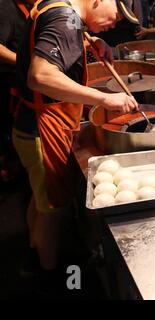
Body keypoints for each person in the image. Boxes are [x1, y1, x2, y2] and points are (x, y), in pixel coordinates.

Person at [14, 0, 139, 281]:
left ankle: (36, 254)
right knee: (52, 208)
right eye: (117, 16)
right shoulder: (64, 16)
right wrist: (105, 98)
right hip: (42, 128)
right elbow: (40, 76)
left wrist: (88, 41)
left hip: (30, 124)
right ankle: (46, 276)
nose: (114, 24)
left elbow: (53, 41)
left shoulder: (61, 9)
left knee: (41, 199)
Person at [0, 0, 36, 183]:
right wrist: (24, 62)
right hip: (10, 86)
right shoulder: (6, 8)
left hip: (26, 83)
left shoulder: (33, 7)